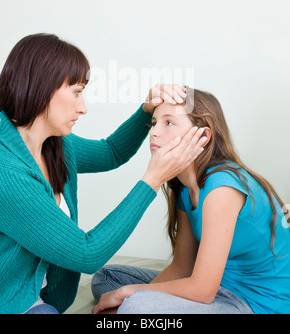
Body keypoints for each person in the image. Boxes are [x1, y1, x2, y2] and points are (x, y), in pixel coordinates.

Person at [0, 34, 207, 314]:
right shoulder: (5, 174)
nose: (83, 107)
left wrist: (146, 110)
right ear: (43, 89)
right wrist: (152, 180)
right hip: (4, 303)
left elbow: (111, 152)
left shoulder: (53, 143)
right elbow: (86, 254)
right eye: (77, 92)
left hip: (38, 297)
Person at [92, 88, 290, 315]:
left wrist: (130, 295)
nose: (154, 132)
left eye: (168, 123)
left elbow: (202, 290)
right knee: (105, 278)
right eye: (154, 122)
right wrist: (132, 293)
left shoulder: (222, 188)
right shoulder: (184, 185)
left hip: (254, 304)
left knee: (133, 304)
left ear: (203, 136)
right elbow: (182, 267)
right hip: (215, 290)